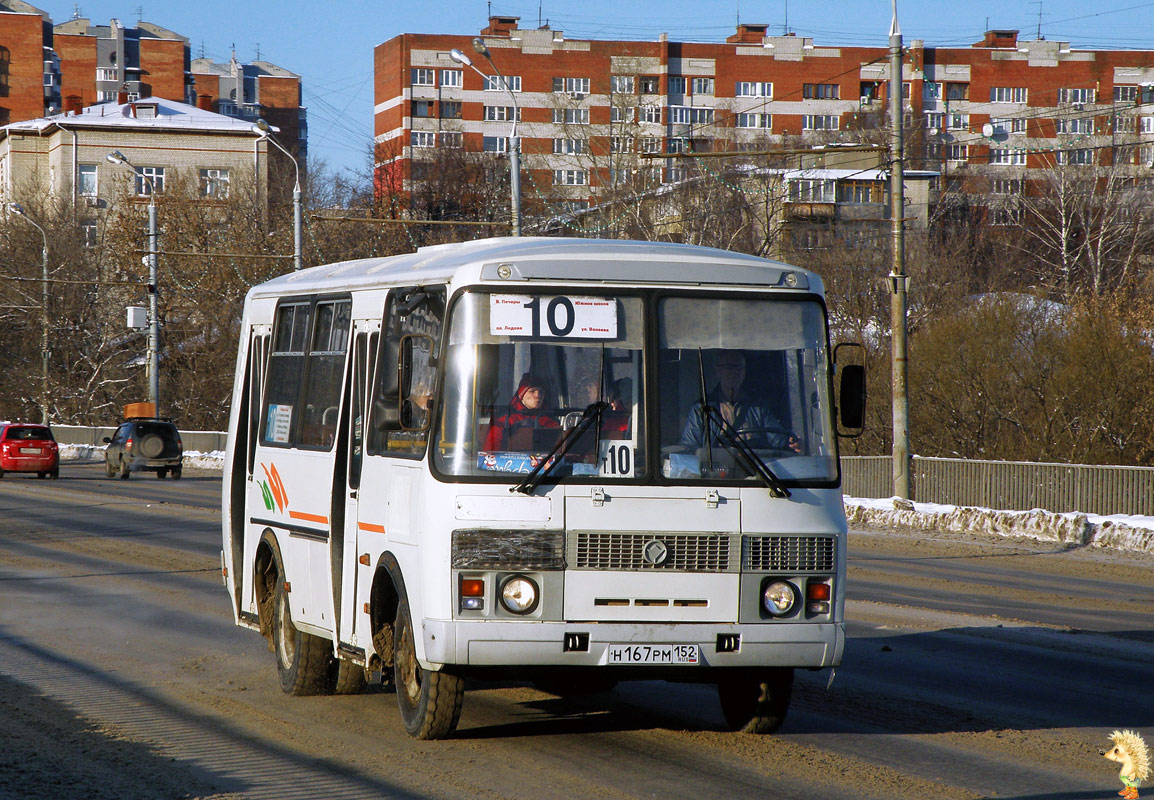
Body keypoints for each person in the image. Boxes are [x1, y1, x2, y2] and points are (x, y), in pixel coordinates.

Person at [680, 351, 800, 452]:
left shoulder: (758, 407)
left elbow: (778, 440)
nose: (735, 372)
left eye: (739, 368)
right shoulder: (701, 409)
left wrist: (790, 442)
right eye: (730, 367)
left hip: (757, 470)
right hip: (720, 474)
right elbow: (691, 448)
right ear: (718, 371)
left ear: (744, 372)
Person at [484, 373, 560, 451]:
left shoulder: (551, 420)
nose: (537, 395)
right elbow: (491, 453)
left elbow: (560, 449)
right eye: (532, 391)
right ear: (521, 394)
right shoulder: (503, 419)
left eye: (541, 392)